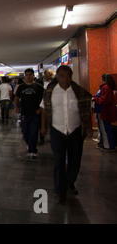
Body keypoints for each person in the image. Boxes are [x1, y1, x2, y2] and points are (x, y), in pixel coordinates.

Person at [40, 65, 93, 203]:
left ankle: (70, 183)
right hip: (57, 130)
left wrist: (88, 127)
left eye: (69, 76)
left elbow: (86, 109)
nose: (66, 79)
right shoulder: (50, 91)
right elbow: (44, 110)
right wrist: (43, 127)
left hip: (75, 131)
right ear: (57, 76)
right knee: (59, 161)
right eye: (63, 76)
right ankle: (60, 189)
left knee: (75, 160)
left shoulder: (79, 92)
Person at [14, 69, 44, 159]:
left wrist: (41, 109)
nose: (28, 76)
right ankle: (30, 145)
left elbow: (44, 98)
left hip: (35, 113)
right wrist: (16, 107)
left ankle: (32, 150)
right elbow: (16, 97)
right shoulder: (21, 87)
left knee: (34, 131)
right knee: (25, 131)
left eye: (30, 75)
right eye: (26, 75)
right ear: (24, 76)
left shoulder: (38, 87)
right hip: (24, 113)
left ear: (33, 76)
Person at [93, 74, 116, 151]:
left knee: (105, 129)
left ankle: (108, 145)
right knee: (104, 128)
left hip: (103, 111)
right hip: (103, 111)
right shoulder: (107, 87)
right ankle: (105, 144)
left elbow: (104, 100)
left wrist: (95, 99)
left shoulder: (105, 88)